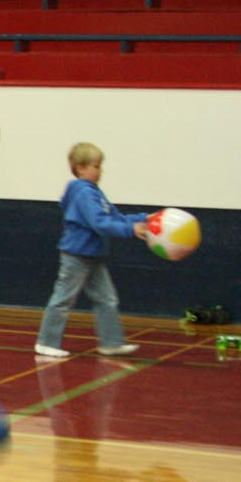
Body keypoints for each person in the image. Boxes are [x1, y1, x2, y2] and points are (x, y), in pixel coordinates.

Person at [34, 142, 147, 358]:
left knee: (106, 298)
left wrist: (143, 218)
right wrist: (131, 230)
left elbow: (115, 218)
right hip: (77, 255)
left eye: (100, 166)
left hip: (94, 255)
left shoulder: (95, 193)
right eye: (96, 166)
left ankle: (111, 342)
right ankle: (46, 341)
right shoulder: (83, 193)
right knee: (63, 298)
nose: (100, 171)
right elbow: (101, 224)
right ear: (80, 168)